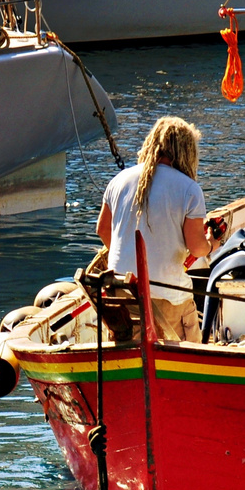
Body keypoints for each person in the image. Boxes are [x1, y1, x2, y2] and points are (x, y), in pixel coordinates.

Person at [97, 116, 217, 342]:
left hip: (121, 297)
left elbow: (103, 229)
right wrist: (212, 243)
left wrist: (130, 256)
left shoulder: (119, 180)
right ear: (186, 152)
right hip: (167, 301)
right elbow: (197, 248)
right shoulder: (189, 189)